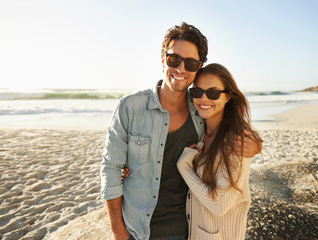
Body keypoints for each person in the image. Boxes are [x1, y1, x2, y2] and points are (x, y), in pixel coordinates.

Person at [100, 22, 260, 240]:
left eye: (191, 63)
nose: (181, 69)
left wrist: (256, 144)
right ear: (162, 58)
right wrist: (118, 232)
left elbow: (228, 119)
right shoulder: (130, 107)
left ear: (199, 67)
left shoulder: (201, 110)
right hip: (136, 230)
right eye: (174, 59)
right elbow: (110, 168)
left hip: (184, 230)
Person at [177, 63, 263, 240]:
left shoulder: (236, 141)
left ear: (228, 97)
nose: (204, 99)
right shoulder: (201, 132)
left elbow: (219, 204)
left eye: (213, 93)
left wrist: (184, 167)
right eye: (197, 92)